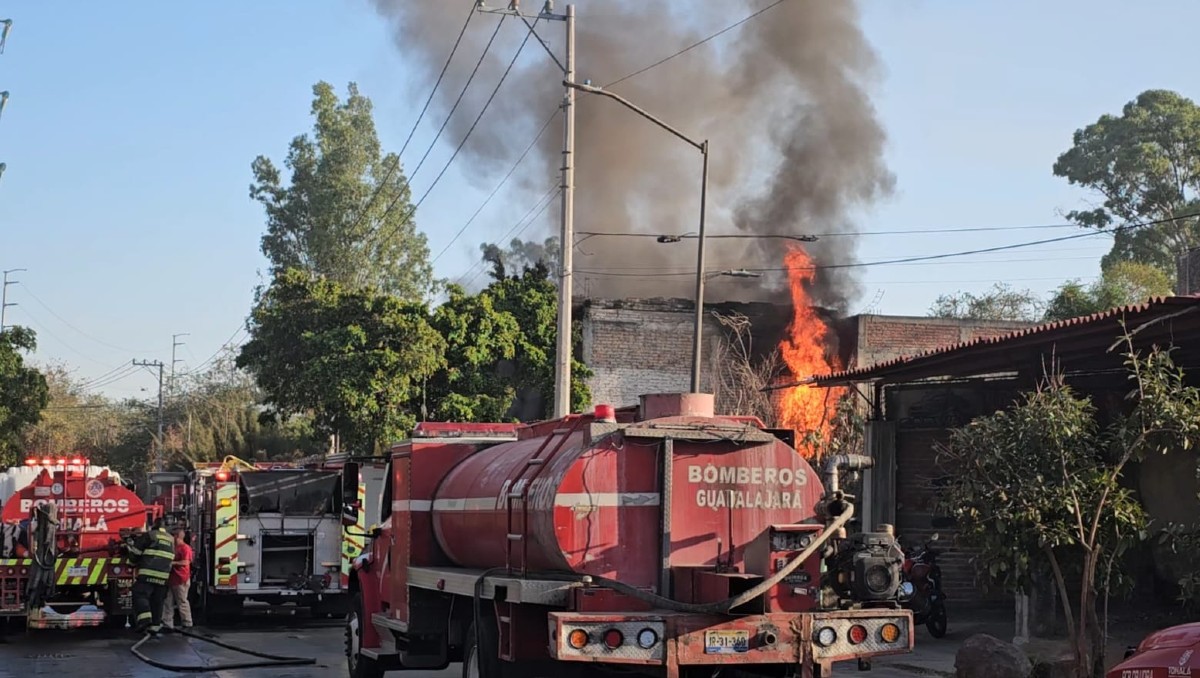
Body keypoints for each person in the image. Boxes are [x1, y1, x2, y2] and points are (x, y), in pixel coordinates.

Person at [124, 518, 175, 636]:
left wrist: (131, 563)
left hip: (148, 573)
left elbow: (136, 552)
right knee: (157, 600)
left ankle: (145, 620)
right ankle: (155, 626)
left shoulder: (150, 535)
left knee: (139, 594)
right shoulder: (170, 538)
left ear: (153, 526)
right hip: (163, 576)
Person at [162, 526, 194, 630]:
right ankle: (167, 623)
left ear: (176, 536)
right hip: (171, 579)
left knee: (182, 601)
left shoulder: (185, 548)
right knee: (167, 601)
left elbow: (186, 562)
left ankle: (187, 622)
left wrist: (172, 563)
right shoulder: (173, 548)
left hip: (181, 579)